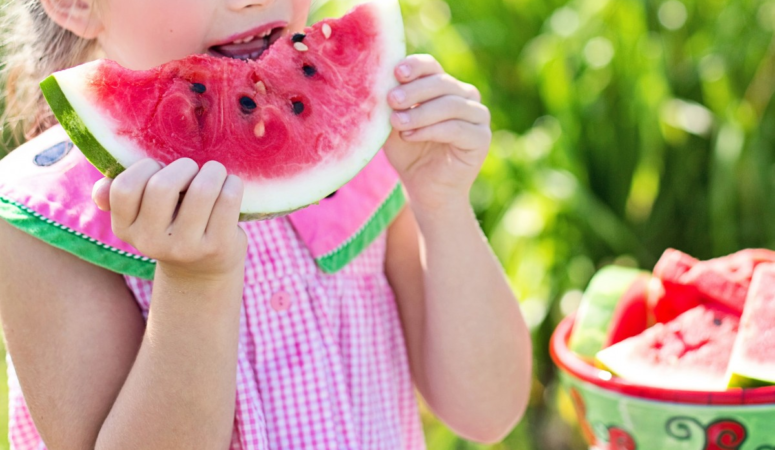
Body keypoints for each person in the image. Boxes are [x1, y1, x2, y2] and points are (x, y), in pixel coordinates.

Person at [0, 0, 531, 448]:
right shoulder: (45, 221)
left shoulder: (365, 151)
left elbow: (488, 411)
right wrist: (195, 285)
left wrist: (442, 204)